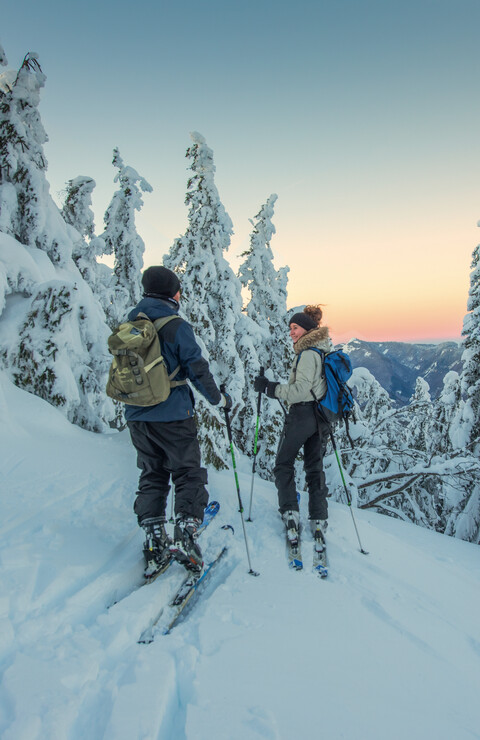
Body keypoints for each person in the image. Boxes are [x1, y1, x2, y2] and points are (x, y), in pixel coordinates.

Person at [124, 265, 232, 577]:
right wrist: (219, 399)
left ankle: (155, 541)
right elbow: (196, 367)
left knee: (152, 473)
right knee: (187, 472)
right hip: (173, 414)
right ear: (173, 293)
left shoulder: (131, 324)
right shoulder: (175, 325)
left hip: (137, 415)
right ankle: (186, 531)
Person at [254, 305, 333, 547]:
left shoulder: (308, 353)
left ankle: (290, 513)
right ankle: (318, 519)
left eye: (295, 328)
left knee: (283, 463)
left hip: (303, 415)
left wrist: (271, 388)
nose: (291, 332)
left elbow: (300, 391)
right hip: (321, 417)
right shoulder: (321, 351)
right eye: (290, 328)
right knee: (314, 467)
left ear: (307, 329)